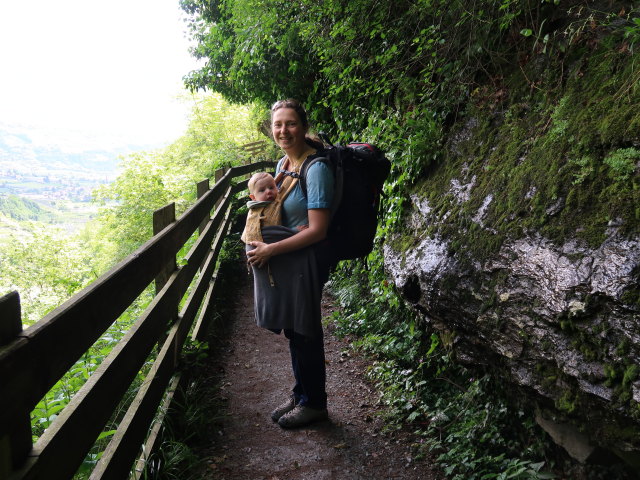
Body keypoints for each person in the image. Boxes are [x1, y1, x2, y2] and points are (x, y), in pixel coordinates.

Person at [246, 99, 335, 428]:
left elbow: (318, 230)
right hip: (289, 259)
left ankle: (315, 403)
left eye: (291, 123)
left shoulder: (317, 169)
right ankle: (301, 393)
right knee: (295, 332)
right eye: (278, 124)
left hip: (306, 259)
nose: (284, 130)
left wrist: (270, 251)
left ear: (304, 126)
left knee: (306, 331)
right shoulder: (284, 164)